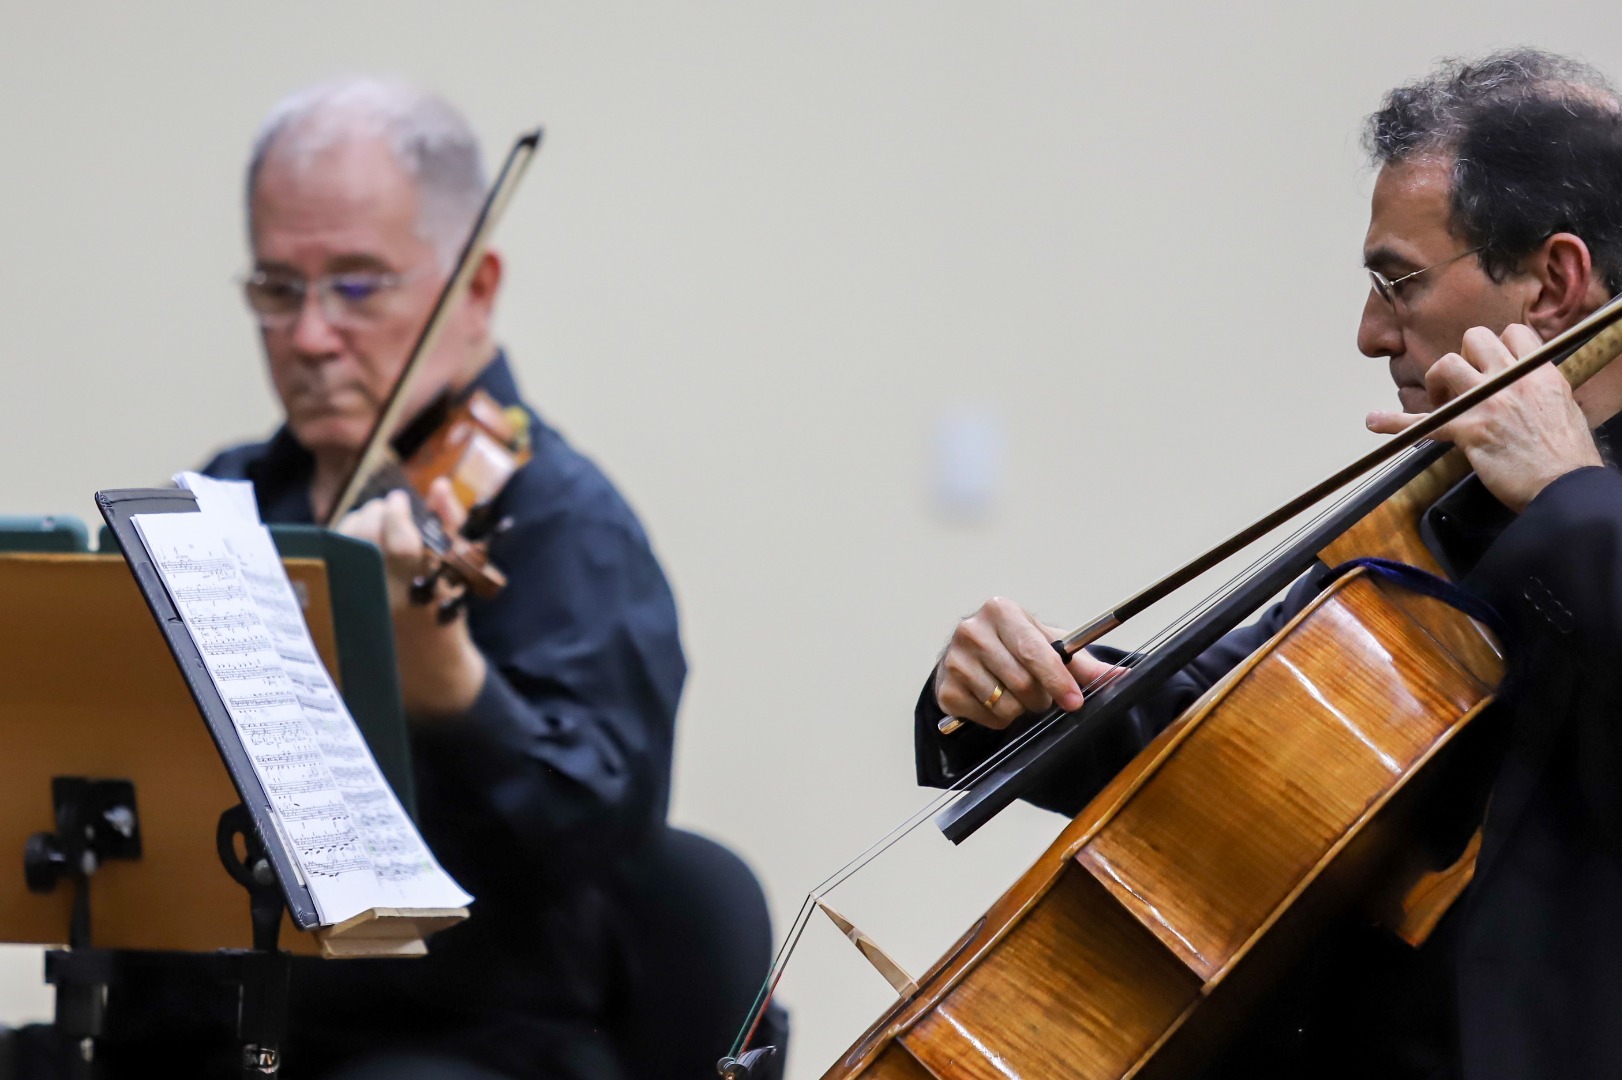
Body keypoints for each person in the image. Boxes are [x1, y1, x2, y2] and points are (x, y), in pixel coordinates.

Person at [915, 49, 1622, 1079]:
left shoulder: (1570, 510)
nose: (1369, 331)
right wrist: (1034, 698)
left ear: (1552, 283)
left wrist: (1566, 499)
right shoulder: (1432, 504)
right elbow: (1261, 739)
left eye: (1397, 280)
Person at [97, 79, 690, 1080]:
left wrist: (458, 695)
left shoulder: (557, 519)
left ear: (478, 288)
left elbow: (610, 856)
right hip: (211, 1034)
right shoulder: (234, 497)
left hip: (448, 1048)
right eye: (278, 290)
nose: (312, 337)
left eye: (359, 285)